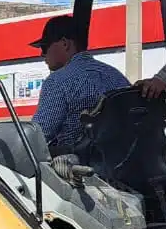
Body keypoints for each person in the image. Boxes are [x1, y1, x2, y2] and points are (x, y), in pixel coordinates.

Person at [30, 14, 131, 154]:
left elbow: (36, 137)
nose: (42, 54)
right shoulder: (117, 76)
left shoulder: (57, 81)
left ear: (65, 43)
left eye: (45, 47)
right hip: (123, 167)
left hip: (79, 170)